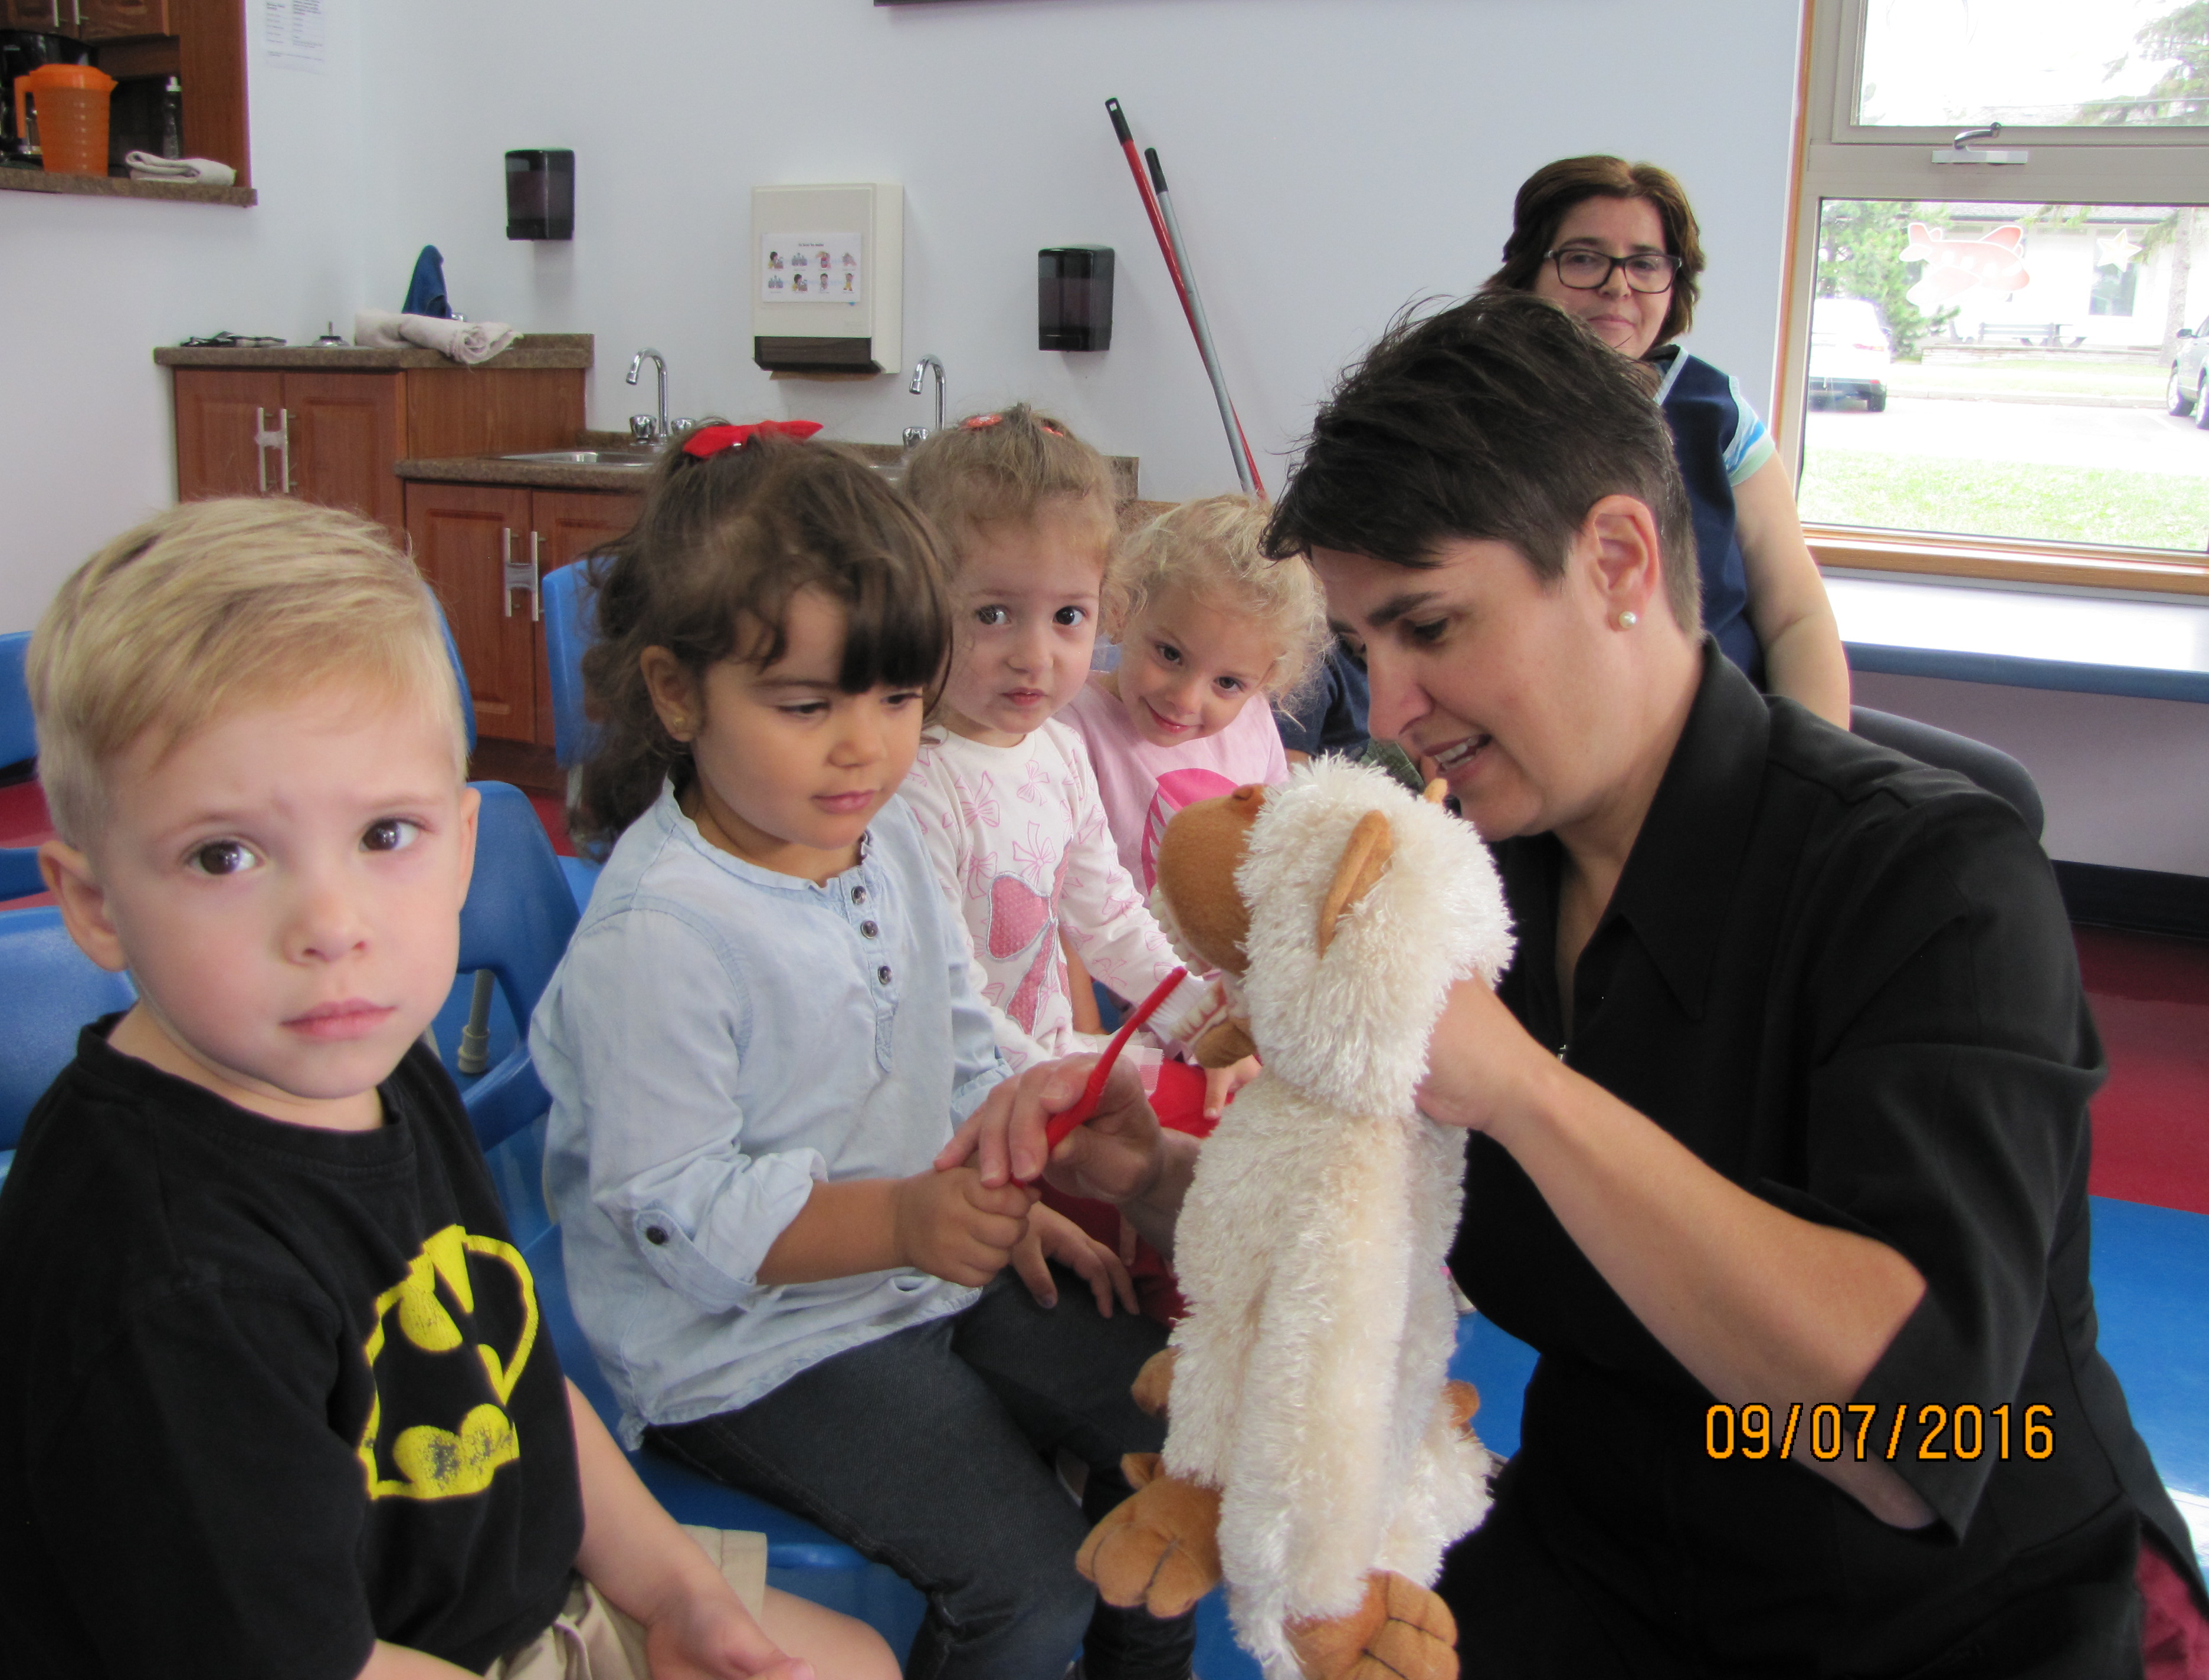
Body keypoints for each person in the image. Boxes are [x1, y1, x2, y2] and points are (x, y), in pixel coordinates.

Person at [945, 294, 2209, 1678]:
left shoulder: (1932, 884)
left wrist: (1522, 1091)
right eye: (1365, 649)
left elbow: (1909, 1441)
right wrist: (1152, 1175)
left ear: (1614, 558)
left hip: (1941, 1618)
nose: (1390, 708)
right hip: (1605, 1553)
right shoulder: (1475, 884)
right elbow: (1362, 1218)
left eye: (1430, 627)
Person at [0, 498, 889, 1680]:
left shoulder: (375, 1062)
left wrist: (677, 1594)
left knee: (855, 1662)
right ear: (93, 905)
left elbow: (508, 1374)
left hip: (496, 1599)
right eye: (224, 856)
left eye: (384, 836)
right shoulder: (171, 1283)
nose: (331, 926)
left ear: (460, 846)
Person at [530, 423, 1197, 1680]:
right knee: (1031, 1587)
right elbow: (678, 1211)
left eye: (897, 698)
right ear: (676, 694)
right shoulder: (660, 935)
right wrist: (902, 1223)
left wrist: (1020, 1139)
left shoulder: (874, 835)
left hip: (918, 1271)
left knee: (1176, 1437)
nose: (867, 746)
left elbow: (952, 1032)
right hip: (750, 1348)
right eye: (807, 705)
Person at [893, 405, 1232, 1085]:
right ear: (918, 600)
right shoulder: (910, 783)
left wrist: (1204, 1026)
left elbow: (1108, 917)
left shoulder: (1059, 750)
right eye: (993, 614)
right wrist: (1065, 1085)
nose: (1035, 656)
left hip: (1047, 1065)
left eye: (1068, 615)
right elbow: (947, 1005)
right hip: (966, 1097)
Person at [1485, 153, 1853, 727]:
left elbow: (1796, 617)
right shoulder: (1472, 412)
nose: (1616, 285)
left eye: (1645, 264)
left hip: (1729, 731)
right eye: (1583, 259)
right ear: (1530, 271)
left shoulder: (1715, 414)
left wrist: (1815, 761)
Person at [1060, 491, 1325, 900]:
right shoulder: (1071, 726)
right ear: (1124, 610)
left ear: (1265, 681)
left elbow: (1275, 846)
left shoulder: (1254, 720)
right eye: (1170, 654)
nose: (1185, 700)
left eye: (1228, 683)